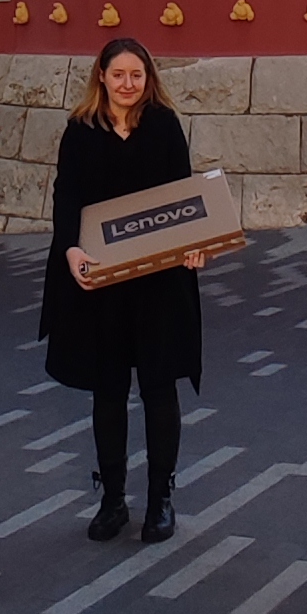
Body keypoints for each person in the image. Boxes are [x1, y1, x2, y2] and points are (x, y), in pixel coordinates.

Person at [41, 35, 207, 545]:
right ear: (102, 77)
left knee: (159, 387)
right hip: (103, 280)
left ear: (148, 78)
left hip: (159, 280)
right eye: (119, 75)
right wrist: (70, 248)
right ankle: (112, 499)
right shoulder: (80, 130)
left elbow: (183, 195)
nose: (128, 84)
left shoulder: (163, 126)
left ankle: (160, 500)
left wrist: (194, 244)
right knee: (108, 390)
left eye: (137, 75)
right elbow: (67, 195)